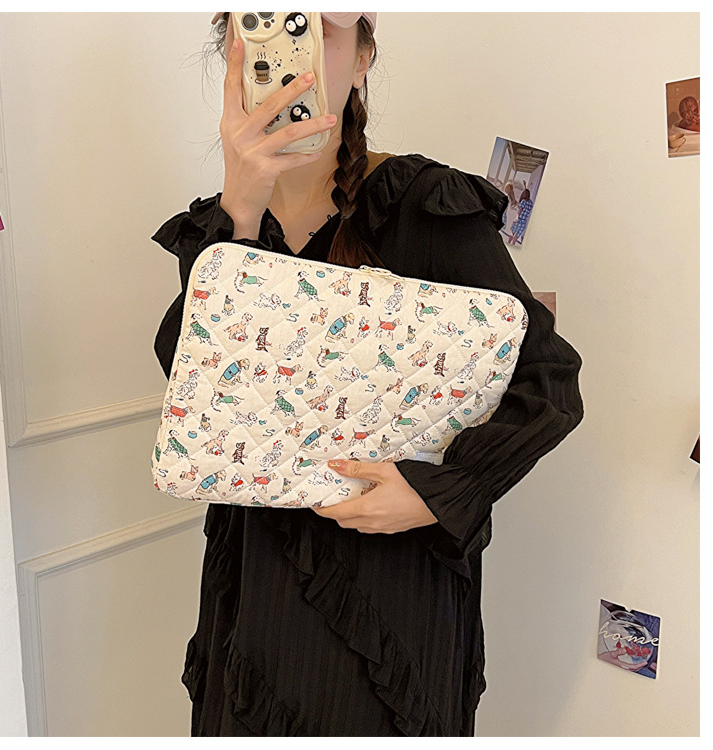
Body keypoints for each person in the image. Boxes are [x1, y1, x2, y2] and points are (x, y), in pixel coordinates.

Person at [152, 12, 583, 737]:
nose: (291, 51)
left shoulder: (418, 203)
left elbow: (548, 380)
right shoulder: (221, 229)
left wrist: (442, 492)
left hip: (387, 604)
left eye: (317, 27)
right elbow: (190, 379)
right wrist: (240, 211)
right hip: (251, 594)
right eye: (261, 22)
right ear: (231, 51)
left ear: (361, 60)